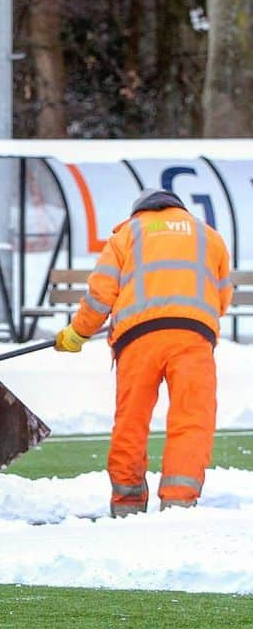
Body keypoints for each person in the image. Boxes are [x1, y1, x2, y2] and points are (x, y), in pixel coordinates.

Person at [54, 188, 233, 516]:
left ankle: (128, 502)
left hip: (138, 340)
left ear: (140, 210)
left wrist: (77, 333)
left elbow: (100, 295)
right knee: (192, 420)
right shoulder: (209, 236)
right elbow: (222, 298)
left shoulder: (128, 234)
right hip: (194, 337)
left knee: (131, 420)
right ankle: (179, 502)